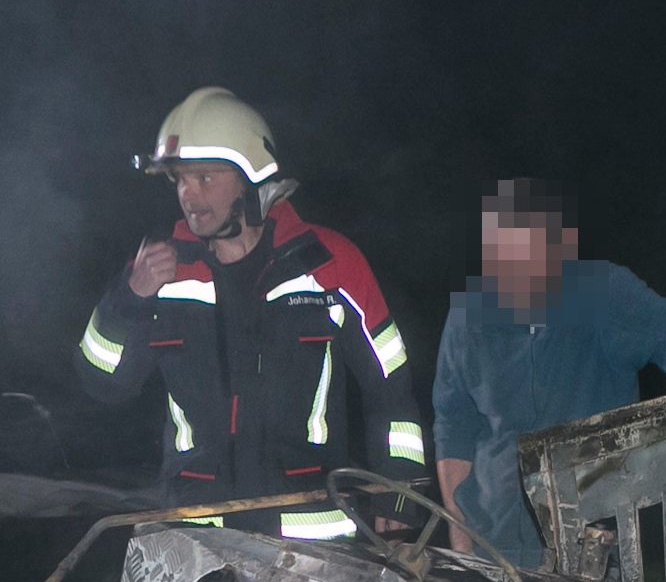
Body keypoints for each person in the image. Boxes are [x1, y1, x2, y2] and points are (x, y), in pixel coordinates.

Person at [76, 87, 424, 540]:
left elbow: (391, 388)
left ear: (251, 179)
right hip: (197, 537)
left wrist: (399, 489)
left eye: (205, 178)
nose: (189, 195)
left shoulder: (330, 264)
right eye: (179, 179)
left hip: (312, 539)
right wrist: (127, 300)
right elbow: (103, 384)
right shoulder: (158, 273)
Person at [430, 178, 666, 567]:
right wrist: (461, 538)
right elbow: (454, 426)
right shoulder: (468, 316)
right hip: (493, 546)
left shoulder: (605, 292)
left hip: (595, 550)